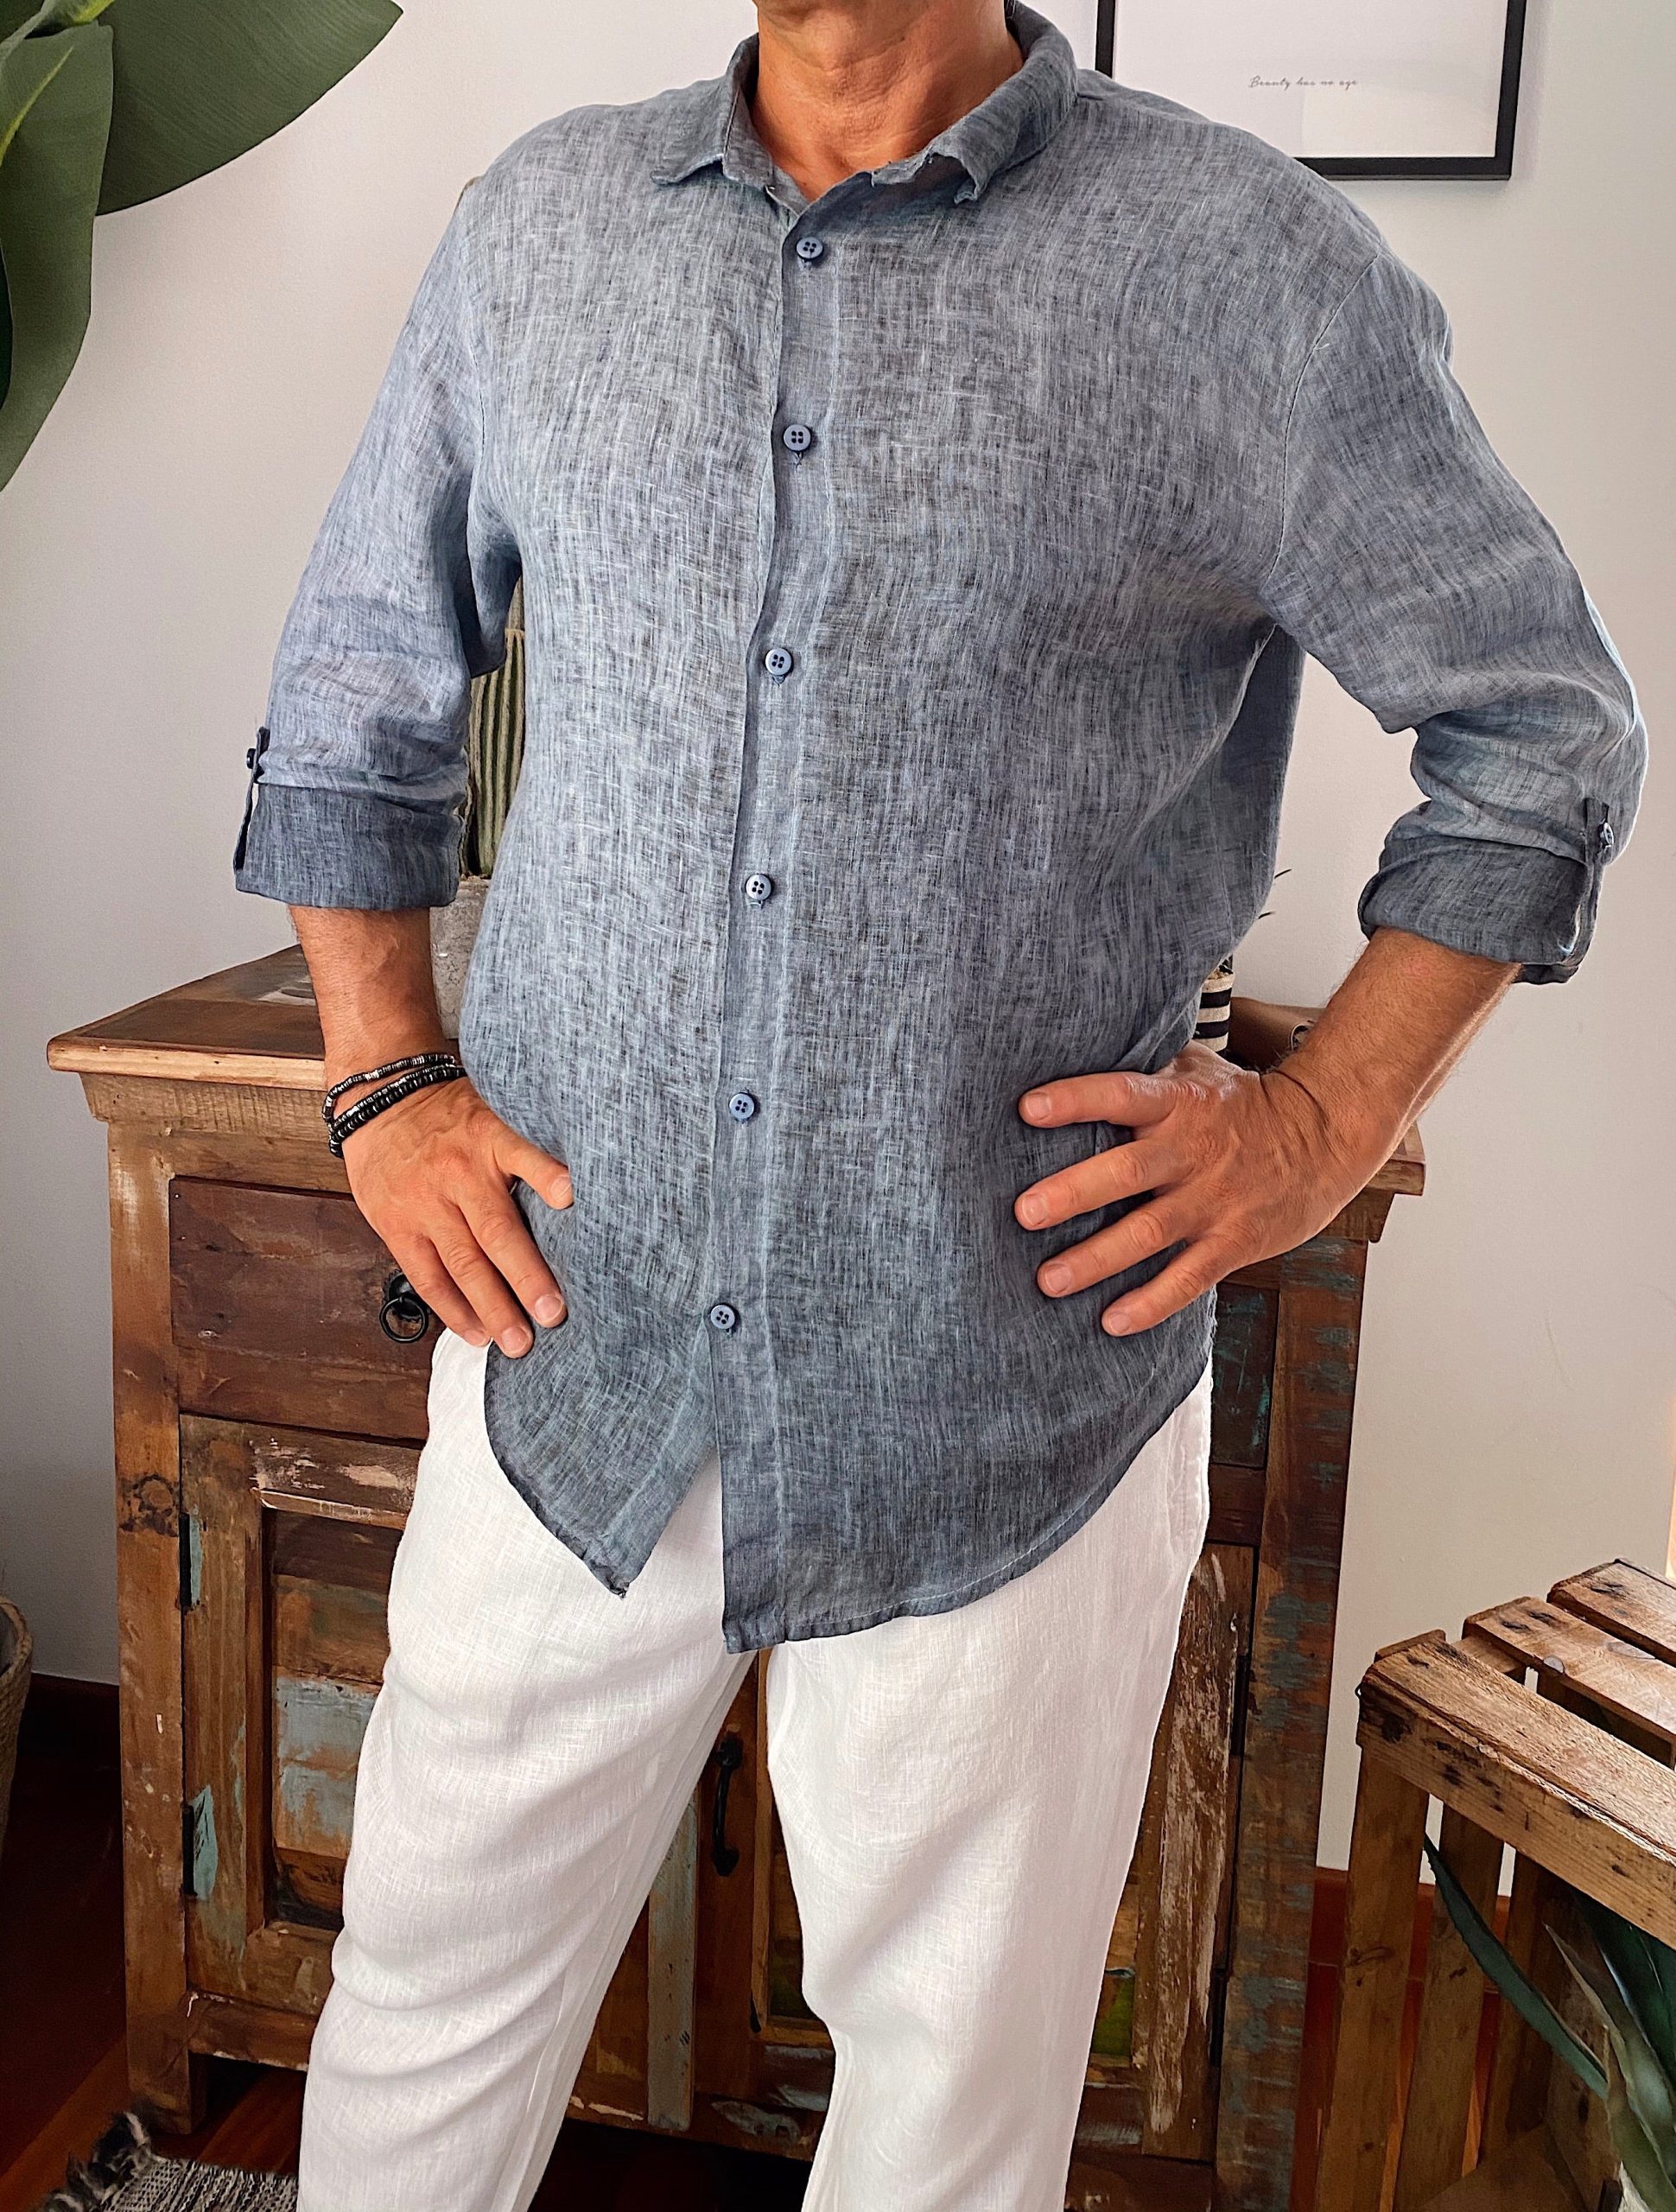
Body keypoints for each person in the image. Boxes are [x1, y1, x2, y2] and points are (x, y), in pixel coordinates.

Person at [233, 2, 1646, 2205]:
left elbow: (1543, 732)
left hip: (1002, 1388)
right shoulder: (535, 235)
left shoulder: (1246, 267)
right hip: (571, 1340)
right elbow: (352, 700)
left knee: (945, 2122)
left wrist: (1313, 1130)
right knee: (423, 1995)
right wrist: (385, 1076)